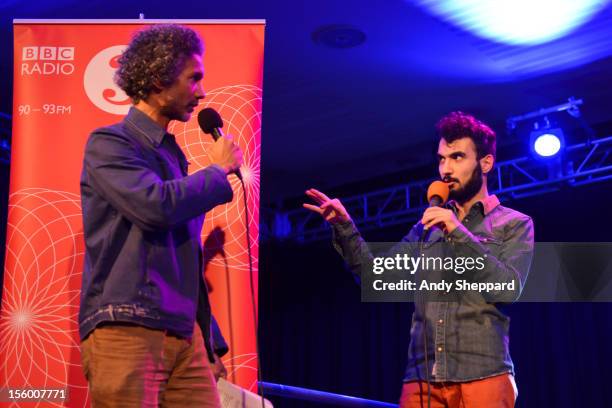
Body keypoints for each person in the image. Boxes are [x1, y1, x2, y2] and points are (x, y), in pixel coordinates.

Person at [304, 112, 534, 408]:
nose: (446, 169)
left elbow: (507, 289)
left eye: (457, 157)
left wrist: (457, 231)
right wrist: (345, 228)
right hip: (422, 379)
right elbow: (376, 279)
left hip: (483, 374)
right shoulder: (426, 228)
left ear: (485, 163)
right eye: (441, 159)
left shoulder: (513, 224)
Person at [79, 24, 242, 407]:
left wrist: (208, 339)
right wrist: (216, 172)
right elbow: (154, 206)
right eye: (193, 79)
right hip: (128, 323)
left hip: (183, 333)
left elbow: (184, 256)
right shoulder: (110, 143)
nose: (201, 92)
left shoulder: (172, 155)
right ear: (157, 79)